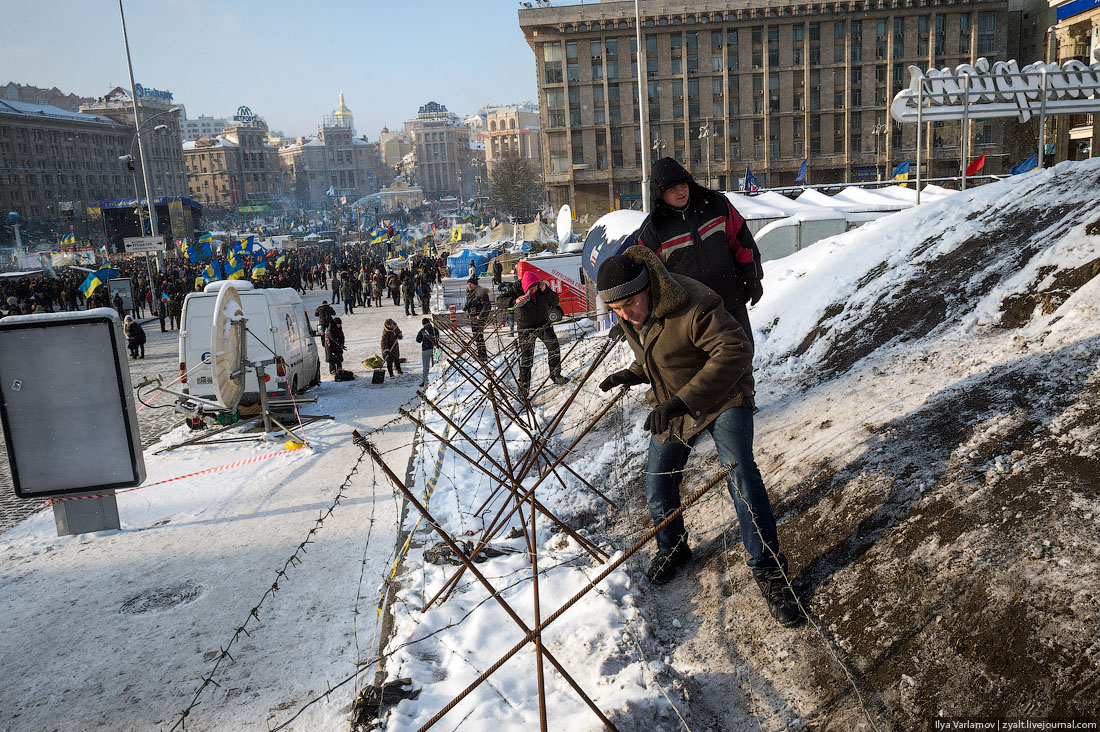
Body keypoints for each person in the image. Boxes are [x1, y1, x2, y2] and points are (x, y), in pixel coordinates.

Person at [596, 247, 800, 627]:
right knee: (658, 480)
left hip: (724, 396)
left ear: (646, 288)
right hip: (676, 403)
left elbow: (734, 350)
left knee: (739, 472)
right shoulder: (633, 310)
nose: (625, 315)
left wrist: (681, 400)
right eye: (616, 309)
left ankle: (769, 570)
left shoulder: (694, 302)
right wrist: (633, 373)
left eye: (629, 304)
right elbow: (661, 351)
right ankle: (673, 547)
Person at [635, 157, 764, 344]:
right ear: (660, 193)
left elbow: (742, 244)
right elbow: (647, 279)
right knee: (710, 369)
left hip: (730, 302)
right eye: (672, 189)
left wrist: (752, 279)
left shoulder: (715, 205)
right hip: (691, 317)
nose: (680, 192)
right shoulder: (652, 231)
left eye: (682, 185)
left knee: (742, 359)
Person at [500, 271, 568, 399]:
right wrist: (515, 300)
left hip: (543, 324)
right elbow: (500, 301)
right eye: (530, 287)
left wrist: (546, 290)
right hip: (525, 328)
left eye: (535, 286)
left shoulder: (542, 289)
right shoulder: (516, 289)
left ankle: (556, 375)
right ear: (525, 286)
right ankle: (524, 389)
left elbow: (555, 301)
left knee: (554, 348)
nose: (533, 289)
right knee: (526, 359)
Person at [464, 278, 492, 361]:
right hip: (473, 318)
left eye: (471, 284)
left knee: (479, 336)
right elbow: (469, 306)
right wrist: (468, 314)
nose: (469, 285)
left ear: (475, 285)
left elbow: (487, 305)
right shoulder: (469, 293)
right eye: (468, 283)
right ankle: (480, 354)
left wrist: (481, 316)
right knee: (476, 337)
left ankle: (482, 355)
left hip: (478, 318)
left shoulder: (480, 292)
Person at [415, 317, 439, 387]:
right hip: (435, 349)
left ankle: (425, 381)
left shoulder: (422, 331)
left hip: (425, 350)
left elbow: (418, 340)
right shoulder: (435, 330)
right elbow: (438, 338)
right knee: (435, 365)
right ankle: (436, 379)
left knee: (425, 366)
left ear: (423, 324)